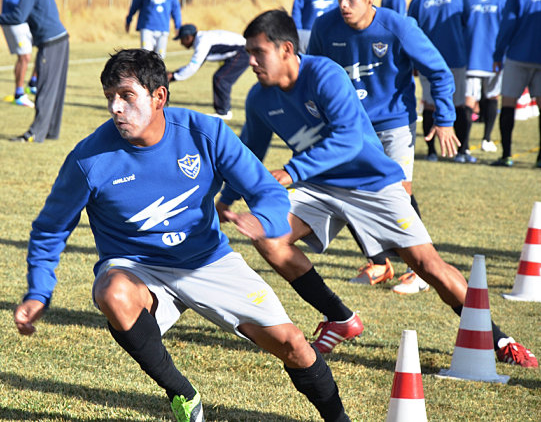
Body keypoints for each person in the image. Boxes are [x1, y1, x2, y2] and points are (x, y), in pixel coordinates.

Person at [13, 48, 351, 422]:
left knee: (295, 345)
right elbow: (50, 228)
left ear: (159, 96)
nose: (115, 108)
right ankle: (182, 394)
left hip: (208, 260)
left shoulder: (205, 133)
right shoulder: (89, 158)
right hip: (138, 268)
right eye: (110, 97)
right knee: (112, 292)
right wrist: (38, 291)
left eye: (126, 96)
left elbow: (267, 191)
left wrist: (265, 220)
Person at [217, 9, 538, 369]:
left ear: (287, 49)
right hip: (320, 187)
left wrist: (293, 171)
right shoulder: (261, 98)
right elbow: (247, 152)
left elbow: (350, 139)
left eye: (258, 52)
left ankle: (500, 339)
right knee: (269, 239)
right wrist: (226, 198)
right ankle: (340, 317)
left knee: (427, 265)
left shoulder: (324, 74)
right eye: (248, 52)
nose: (251, 62)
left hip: (371, 183)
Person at [308, 0, 458, 293]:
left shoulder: (398, 26)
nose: (343, 5)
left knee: (399, 193)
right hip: (348, 129)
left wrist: (445, 119)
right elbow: (311, 76)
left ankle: (421, 269)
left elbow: (439, 71)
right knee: (354, 194)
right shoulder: (325, 27)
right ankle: (380, 264)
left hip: (393, 123)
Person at [0, 0, 69, 143]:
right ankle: (50, 132)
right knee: (53, 89)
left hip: (52, 41)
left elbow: (20, 15)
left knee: (45, 90)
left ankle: (35, 134)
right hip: (59, 39)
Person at [408, 0, 473, 163]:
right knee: (459, 104)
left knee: (429, 104)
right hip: (456, 58)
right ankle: (461, 152)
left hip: (428, 60)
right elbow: (467, 22)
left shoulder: (419, 0)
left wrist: (414, 63)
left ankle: (431, 153)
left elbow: (411, 32)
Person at [492, 0, 541, 168]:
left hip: (518, 56)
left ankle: (506, 155)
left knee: (509, 103)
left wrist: (498, 54)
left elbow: (508, 24)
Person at [464, 0, 506, 153]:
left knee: (468, 100)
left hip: (471, 58)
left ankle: (463, 146)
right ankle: (486, 139)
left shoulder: (469, 0)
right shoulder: (502, 1)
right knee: (492, 97)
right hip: (494, 60)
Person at [168, 24, 250, 120]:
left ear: (188, 37)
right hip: (239, 51)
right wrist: (175, 73)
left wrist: (174, 76)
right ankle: (223, 110)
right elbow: (196, 64)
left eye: (181, 39)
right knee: (221, 78)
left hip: (243, 52)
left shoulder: (203, 42)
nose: (181, 43)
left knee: (221, 79)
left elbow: (194, 66)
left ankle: (223, 112)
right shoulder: (202, 39)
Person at [1, 0, 34, 107]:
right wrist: (24, 5)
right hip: (14, 19)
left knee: (26, 55)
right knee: (24, 56)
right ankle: (19, 94)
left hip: (21, 19)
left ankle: (29, 86)